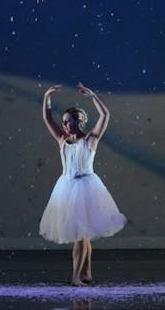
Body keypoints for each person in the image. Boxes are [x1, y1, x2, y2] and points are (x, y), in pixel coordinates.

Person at [40, 82, 127, 286]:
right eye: (64, 122)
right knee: (83, 234)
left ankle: (75, 277)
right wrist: (47, 96)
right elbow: (47, 118)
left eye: (69, 122)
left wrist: (93, 96)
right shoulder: (62, 140)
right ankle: (86, 273)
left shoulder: (90, 140)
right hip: (66, 187)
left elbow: (105, 116)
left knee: (81, 235)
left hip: (86, 188)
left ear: (79, 122)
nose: (65, 125)